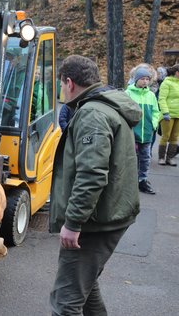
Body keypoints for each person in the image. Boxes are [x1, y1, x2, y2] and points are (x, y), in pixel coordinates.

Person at [49, 55, 141, 315]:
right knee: (85, 288)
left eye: (61, 85)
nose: (61, 91)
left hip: (96, 221)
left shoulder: (91, 114)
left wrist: (73, 223)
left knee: (65, 302)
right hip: (107, 214)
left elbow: (92, 174)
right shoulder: (103, 107)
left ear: (69, 82)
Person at [125, 66, 160, 194]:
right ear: (136, 79)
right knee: (131, 158)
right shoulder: (128, 93)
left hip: (147, 133)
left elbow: (156, 111)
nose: (145, 81)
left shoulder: (151, 95)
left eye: (147, 79)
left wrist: (154, 124)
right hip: (132, 133)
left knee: (145, 157)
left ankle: (143, 180)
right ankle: (130, 180)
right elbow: (124, 111)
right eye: (142, 79)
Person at [157, 64, 179, 166]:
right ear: (176, 72)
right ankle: (161, 158)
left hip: (178, 115)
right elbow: (162, 99)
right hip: (168, 114)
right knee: (166, 136)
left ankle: (170, 158)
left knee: (174, 137)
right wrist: (165, 112)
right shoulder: (166, 83)